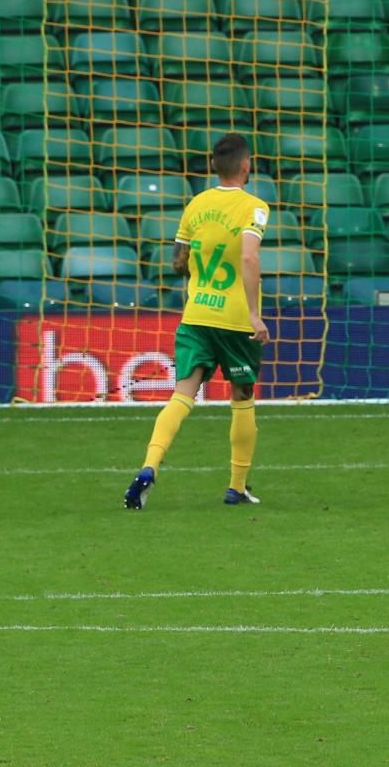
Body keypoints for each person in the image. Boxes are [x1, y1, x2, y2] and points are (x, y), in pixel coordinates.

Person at [124, 134, 272, 509]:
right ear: (245, 166)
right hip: (235, 319)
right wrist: (255, 314)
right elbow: (250, 259)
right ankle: (237, 487)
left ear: (212, 167)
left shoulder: (195, 205)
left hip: (196, 314)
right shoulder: (255, 207)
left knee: (182, 394)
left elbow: (178, 261)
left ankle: (149, 467)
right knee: (242, 397)